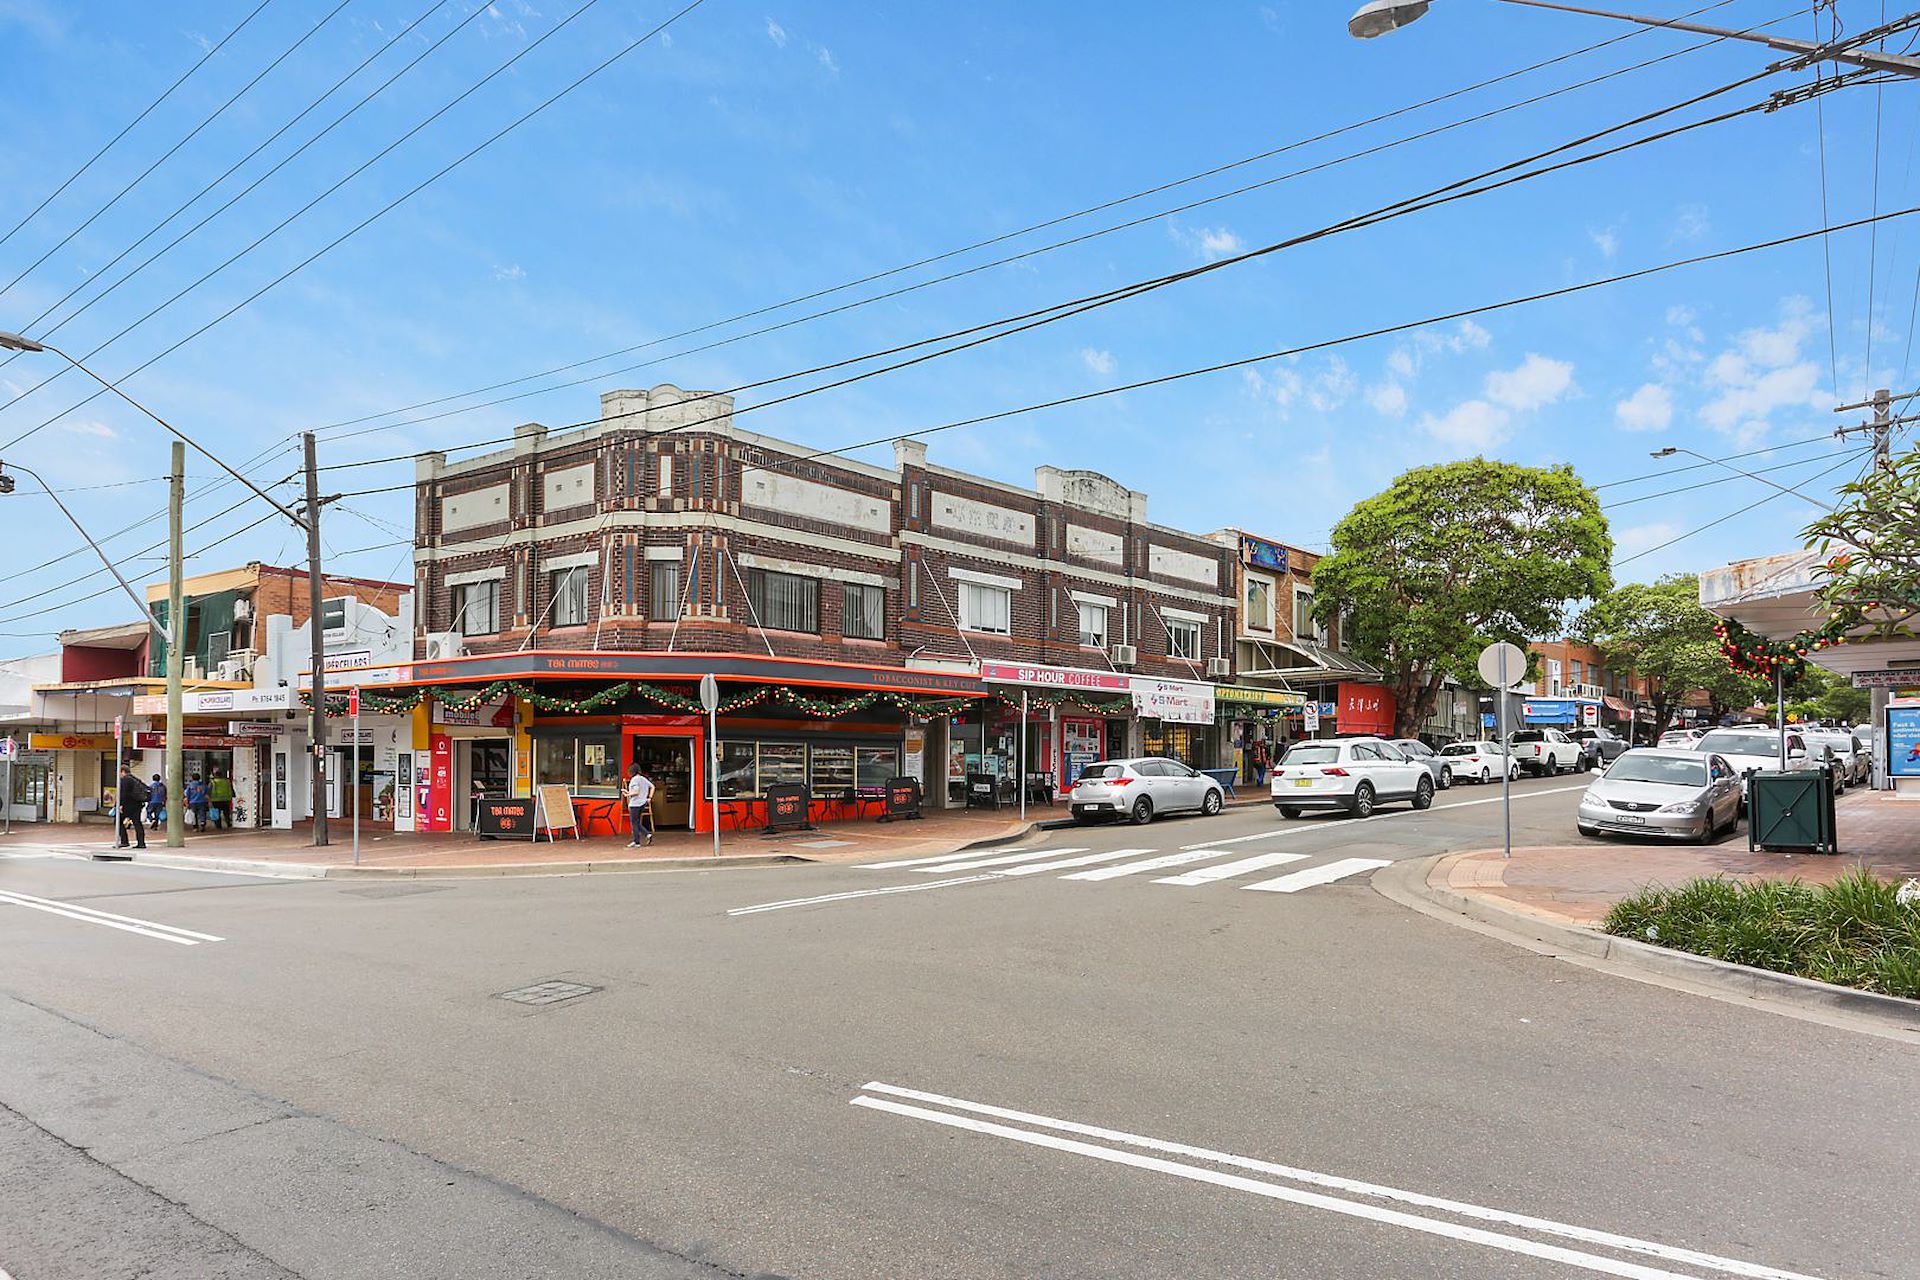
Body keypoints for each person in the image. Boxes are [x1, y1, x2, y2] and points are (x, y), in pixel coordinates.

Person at [116, 766, 149, 850]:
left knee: (118, 821)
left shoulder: (125, 780)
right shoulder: (135, 779)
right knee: (137, 823)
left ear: (123, 771)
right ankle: (141, 843)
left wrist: (121, 804)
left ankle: (124, 841)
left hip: (128, 804)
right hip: (137, 804)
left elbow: (123, 793)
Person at [626, 765, 655, 847]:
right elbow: (652, 787)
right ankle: (647, 834)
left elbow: (636, 792)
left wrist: (628, 794)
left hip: (635, 803)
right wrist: (649, 797)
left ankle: (637, 841)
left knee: (634, 823)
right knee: (637, 822)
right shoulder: (643, 779)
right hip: (643, 803)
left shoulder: (634, 780)